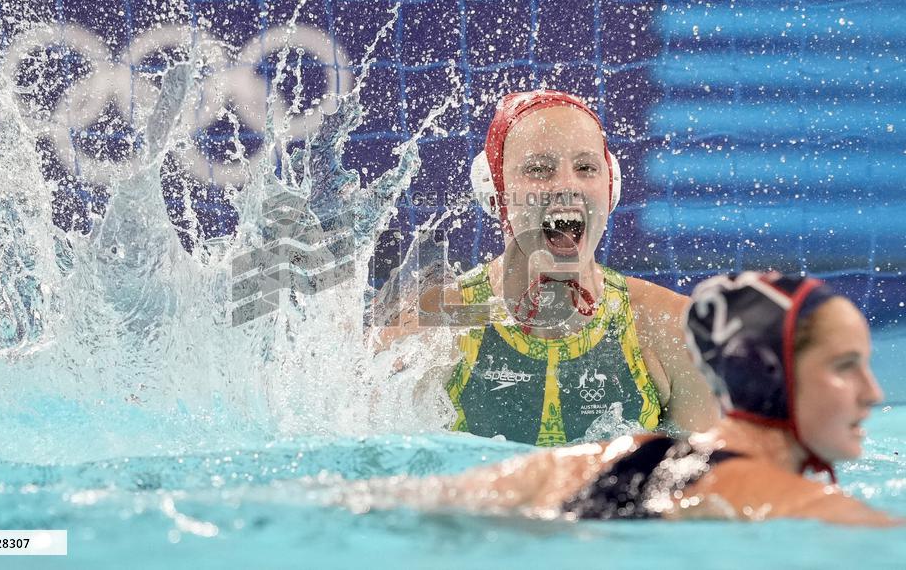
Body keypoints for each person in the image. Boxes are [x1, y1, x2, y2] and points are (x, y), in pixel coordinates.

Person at [358, 272, 898, 526]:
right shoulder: (808, 510)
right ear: (775, 377)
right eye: (844, 367)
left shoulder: (603, 460)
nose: (872, 393)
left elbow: (383, 504)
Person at [376, 89, 719, 446]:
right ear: (496, 192)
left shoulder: (673, 333)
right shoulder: (429, 333)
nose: (567, 186)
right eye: (539, 169)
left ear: (611, 186)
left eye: (586, 168)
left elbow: (705, 490)